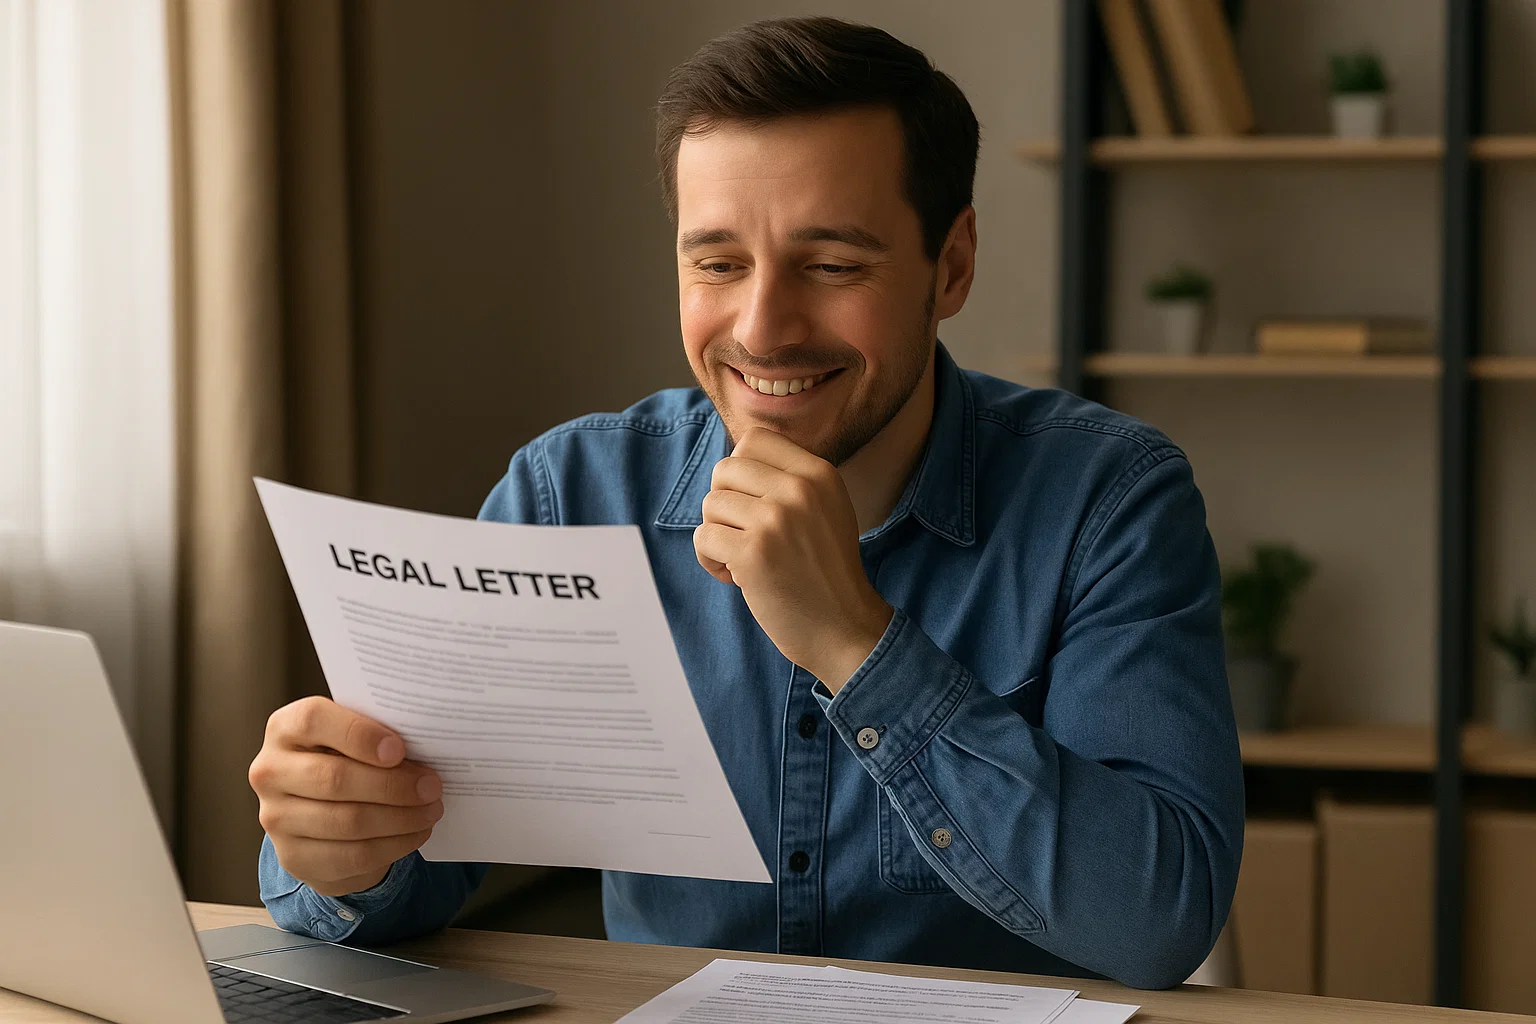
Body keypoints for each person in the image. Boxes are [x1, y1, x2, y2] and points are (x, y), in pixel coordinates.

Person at [249, 16, 1243, 989]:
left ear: (952, 265)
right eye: (717, 262)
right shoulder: (572, 497)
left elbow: (1157, 920)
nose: (764, 328)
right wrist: (342, 850)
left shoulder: (1107, 500)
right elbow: (413, 877)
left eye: (832, 265)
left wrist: (857, 644)